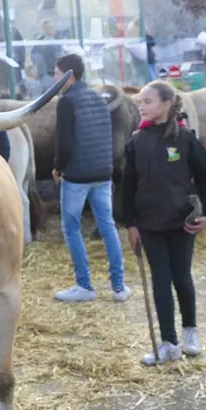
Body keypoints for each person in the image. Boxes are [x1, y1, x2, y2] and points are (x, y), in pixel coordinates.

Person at [122, 81, 206, 365]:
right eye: (140, 102)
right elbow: (127, 188)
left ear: (166, 105)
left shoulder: (187, 139)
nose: (142, 106)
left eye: (148, 101)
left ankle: (191, 332)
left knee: (183, 280)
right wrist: (131, 225)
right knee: (160, 282)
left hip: (181, 224)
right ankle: (168, 343)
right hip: (150, 225)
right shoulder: (136, 142)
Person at [51, 53, 131, 302]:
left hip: (77, 176)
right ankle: (119, 288)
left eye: (56, 73)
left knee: (71, 228)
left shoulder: (66, 102)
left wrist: (57, 168)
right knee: (108, 227)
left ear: (67, 75)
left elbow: (65, 143)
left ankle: (84, 285)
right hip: (102, 173)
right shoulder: (98, 97)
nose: (53, 78)